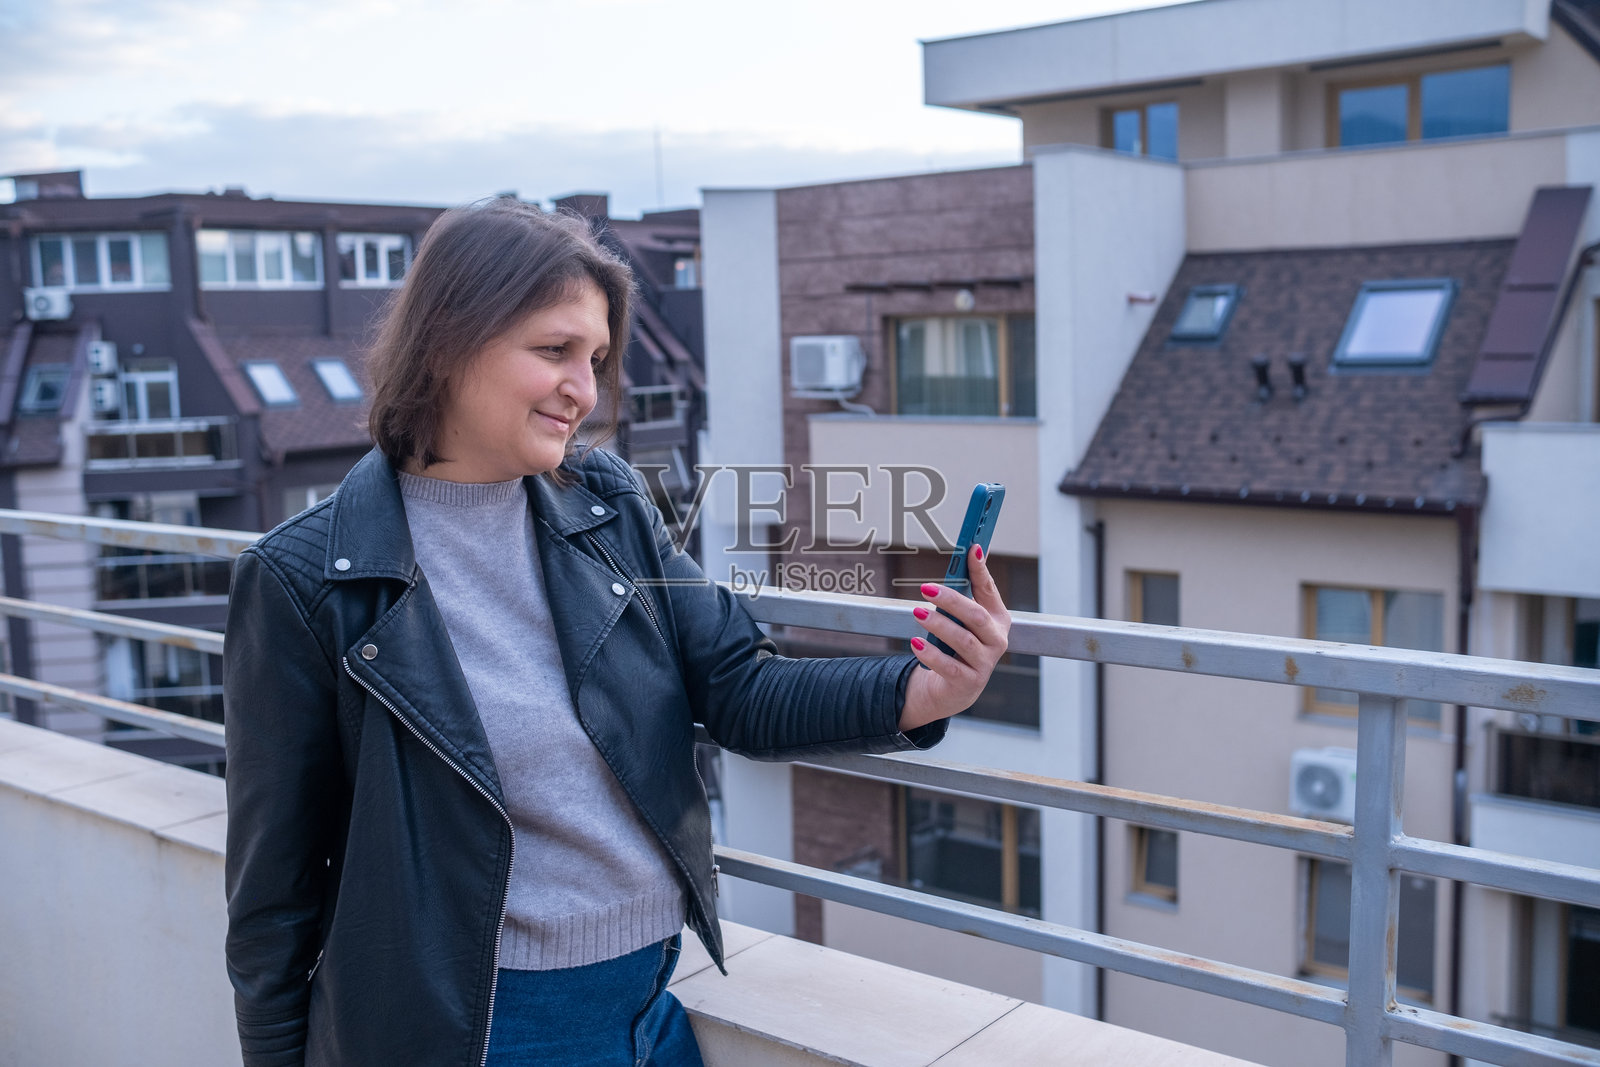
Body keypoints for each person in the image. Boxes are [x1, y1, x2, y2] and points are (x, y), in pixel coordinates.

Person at [221, 198, 1011, 1067]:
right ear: (447, 340)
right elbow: (274, 895)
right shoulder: (304, 582)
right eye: (554, 351)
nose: (585, 390)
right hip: (486, 1033)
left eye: (595, 358)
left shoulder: (608, 502)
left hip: (650, 1005)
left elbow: (740, 686)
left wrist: (919, 690)